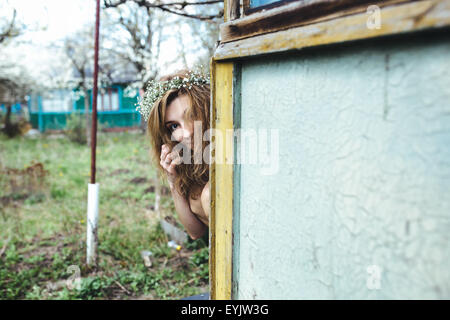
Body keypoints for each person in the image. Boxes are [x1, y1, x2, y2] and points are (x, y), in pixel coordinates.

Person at [139, 69, 211, 240]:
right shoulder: (190, 159)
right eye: (174, 126)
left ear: (207, 107)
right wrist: (173, 182)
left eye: (192, 115)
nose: (186, 133)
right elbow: (195, 233)